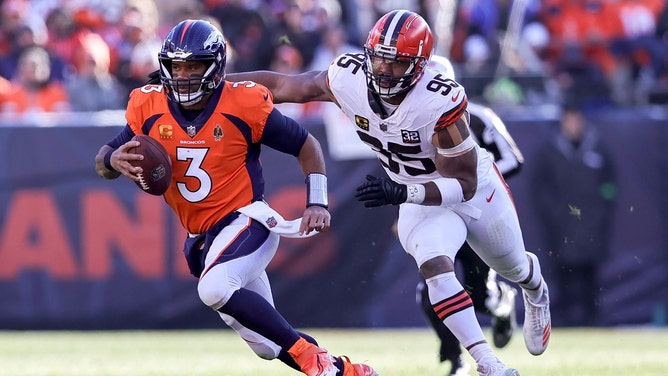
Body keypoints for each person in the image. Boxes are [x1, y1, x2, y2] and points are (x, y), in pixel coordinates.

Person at [227, 10, 551, 376]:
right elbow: (285, 85)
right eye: (378, 58)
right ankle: (487, 362)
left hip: (468, 191)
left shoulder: (438, 101)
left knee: (513, 266)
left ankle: (535, 290)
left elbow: (463, 185)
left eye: (396, 64)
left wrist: (403, 191)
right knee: (436, 268)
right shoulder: (349, 78)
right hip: (414, 195)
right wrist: (219, 86)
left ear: (419, 67)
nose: (382, 70)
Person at [94, 19, 376, 376]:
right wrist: (111, 160)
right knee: (268, 345)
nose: (182, 76)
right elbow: (103, 160)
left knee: (214, 289)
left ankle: (311, 357)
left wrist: (316, 201)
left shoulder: (241, 101)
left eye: (193, 66)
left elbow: (307, 145)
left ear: (214, 67)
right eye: (176, 67)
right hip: (203, 238)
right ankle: (347, 371)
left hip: (246, 221)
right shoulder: (149, 107)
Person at [415, 54, 525, 376]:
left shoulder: (477, 116)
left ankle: (500, 301)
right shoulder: (409, 122)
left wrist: (473, 182)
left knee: (478, 296)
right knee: (433, 290)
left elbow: (513, 159)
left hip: (477, 214)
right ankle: (456, 360)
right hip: (438, 215)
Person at [531, 100, 617, 327]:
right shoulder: (550, 151)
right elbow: (541, 189)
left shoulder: (597, 147)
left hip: (592, 224)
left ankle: (593, 317)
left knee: (591, 274)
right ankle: (564, 319)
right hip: (562, 226)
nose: (573, 124)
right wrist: (556, 213)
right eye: (568, 119)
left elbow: (610, 186)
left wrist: (602, 208)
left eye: (576, 118)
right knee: (563, 273)